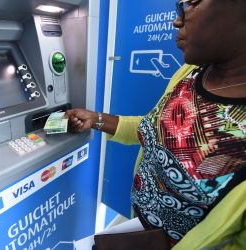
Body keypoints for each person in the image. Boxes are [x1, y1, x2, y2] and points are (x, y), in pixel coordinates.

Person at [65, 0, 246, 249]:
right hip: (137, 230)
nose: (177, 20)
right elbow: (156, 129)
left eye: (189, 4)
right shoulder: (190, 74)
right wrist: (95, 119)